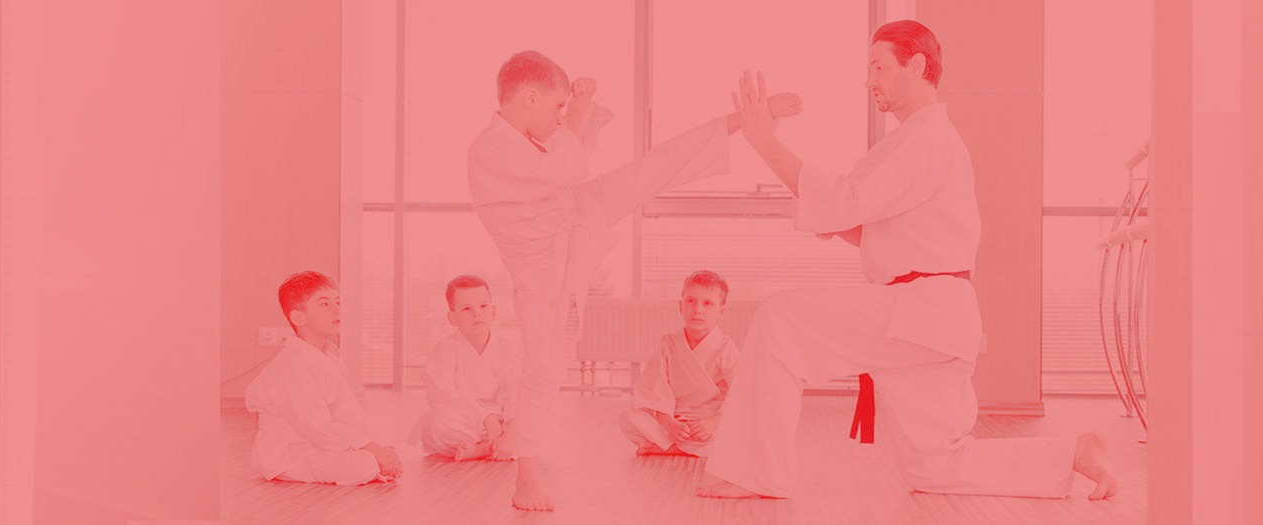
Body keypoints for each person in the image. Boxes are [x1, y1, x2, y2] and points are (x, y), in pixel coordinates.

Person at [697, 20, 1119, 501]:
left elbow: (845, 200)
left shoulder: (927, 140)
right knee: (936, 467)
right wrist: (829, 211)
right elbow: (863, 224)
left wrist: (764, 142)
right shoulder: (917, 143)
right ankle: (1074, 452)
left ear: (917, 66)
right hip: (930, 319)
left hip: (920, 310)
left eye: (878, 66)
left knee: (780, 318)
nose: (869, 80)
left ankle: (755, 473)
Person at [467, 50, 801, 511]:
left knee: (653, 168)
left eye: (563, 110)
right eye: (556, 108)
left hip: (571, 216)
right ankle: (526, 479)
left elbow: (569, 166)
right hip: (540, 269)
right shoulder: (490, 148)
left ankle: (743, 120)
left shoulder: (526, 140)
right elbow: (568, 165)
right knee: (542, 370)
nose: (560, 118)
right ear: (527, 98)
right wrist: (579, 117)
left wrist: (574, 121)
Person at [245, 271, 404, 485]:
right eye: (324, 304)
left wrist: (378, 445)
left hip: (318, 443)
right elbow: (316, 427)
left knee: (377, 454)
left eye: (337, 301)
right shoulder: (292, 365)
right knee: (363, 465)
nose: (337, 309)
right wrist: (370, 450)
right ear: (299, 318)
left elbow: (348, 411)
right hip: (290, 453)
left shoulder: (330, 357)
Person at [618, 270, 739, 457]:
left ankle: (668, 448)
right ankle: (680, 447)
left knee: (741, 431)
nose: (697, 309)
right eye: (691, 301)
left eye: (707, 304)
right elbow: (654, 388)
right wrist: (669, 422)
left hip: (708, 421)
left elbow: (741, 393)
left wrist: (713, 423)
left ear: (721, 312)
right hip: (675, 419)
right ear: (680, 306)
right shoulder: (668, 344)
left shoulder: (725, 348)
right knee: (628, 418)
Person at [408, 275, 522, 462]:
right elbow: (442, 395)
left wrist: (509, 431)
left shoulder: (506, 348)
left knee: (538, 416)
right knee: (436, 423)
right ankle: (499, 446)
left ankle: (484, 448)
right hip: (466, 419)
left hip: (503, 419)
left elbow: (515, 391)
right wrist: (486, 418)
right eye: (467, 309)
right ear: (452, 318)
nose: (477, 314)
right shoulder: (444, 350)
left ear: (493, 311)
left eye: (483, 306)